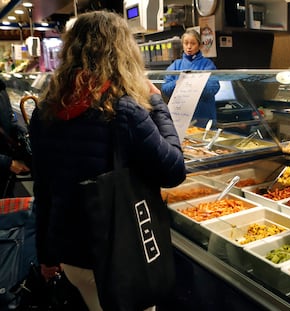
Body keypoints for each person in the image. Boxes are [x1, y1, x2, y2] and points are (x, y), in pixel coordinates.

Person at [29, 10, 186, 311]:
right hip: (120, 254)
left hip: (70, 254)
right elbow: (174, 170)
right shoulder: (124, 110)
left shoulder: (44, 111)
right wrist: (157, 105)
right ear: (123, 52)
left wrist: (46, 255)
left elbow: (44, 189)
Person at [161, 28, 220, 128]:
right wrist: (177, 83)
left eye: (193, 43)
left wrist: (193, 83)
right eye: (186, 43)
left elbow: (214, 87)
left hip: (203, 116)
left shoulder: (207, 64)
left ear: (199, 45)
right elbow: (165, 89)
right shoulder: (176, 65)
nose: (189, 47)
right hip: (180, 116)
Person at [0, 78, 30, 198]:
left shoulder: (1, 89)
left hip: (4, 173)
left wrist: (24, 136)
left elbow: (10, 120)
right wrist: (8, 163)